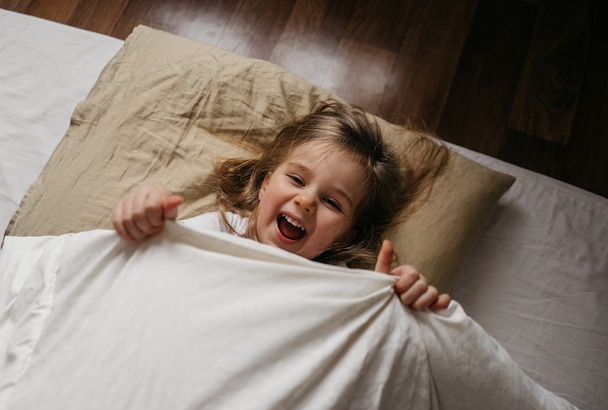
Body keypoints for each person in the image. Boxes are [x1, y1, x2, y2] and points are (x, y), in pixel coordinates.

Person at [112, 102, 451, 312]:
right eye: (298, 181)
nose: (306, 201)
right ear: (264, 184)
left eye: (332, 202)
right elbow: (163, 261)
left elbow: (360, 339)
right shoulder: (223, 227)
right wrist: (147, 220)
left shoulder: (340, 280)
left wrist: (389, 302)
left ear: (346, 234)